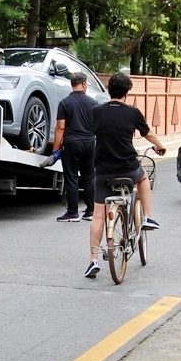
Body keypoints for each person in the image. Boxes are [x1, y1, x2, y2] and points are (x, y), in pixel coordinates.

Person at [84, 72, 166, 278]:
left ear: (109, 90)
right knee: (143, 178)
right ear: (127, 92)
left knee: (98, 216)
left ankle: (93, 260)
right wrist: (159, 147)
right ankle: (147, 217)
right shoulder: (132, 113)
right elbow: (148, 133)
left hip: (103, 171)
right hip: (128, 168)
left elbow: (92, 132)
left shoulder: (96, 111)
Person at [43, 71, 98, 222]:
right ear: (84, 83)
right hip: (89, 142)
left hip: (71, 143)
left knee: (72, 177)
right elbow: (97, 126)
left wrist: (55, 150)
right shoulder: (93, 103)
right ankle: (90, 211)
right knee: (89, 177)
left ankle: (73, 212)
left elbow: (60, 128)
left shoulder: (65, 103)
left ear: (72, 84)